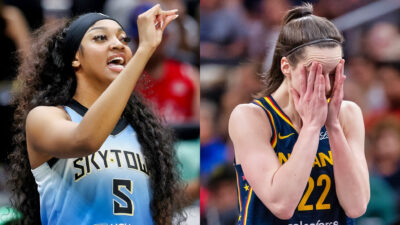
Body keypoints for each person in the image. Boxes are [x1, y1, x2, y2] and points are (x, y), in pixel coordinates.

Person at [8, 4, 186, 225]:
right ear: (75, 58)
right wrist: (145, 49)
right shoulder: (44, 117)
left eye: (124, 40)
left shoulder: (146, 133)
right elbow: (85, 139)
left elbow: (161, 215)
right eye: (101, 38)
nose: (118, 45)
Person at [229, 4, 369, 225]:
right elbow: (282, 204)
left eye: (333, 74)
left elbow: (356, 206)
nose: (324, 85)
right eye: (314, 72)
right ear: (286, 66)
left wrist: (332, 126)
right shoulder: (251, 117)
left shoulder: (348, 114)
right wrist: (312, 127)